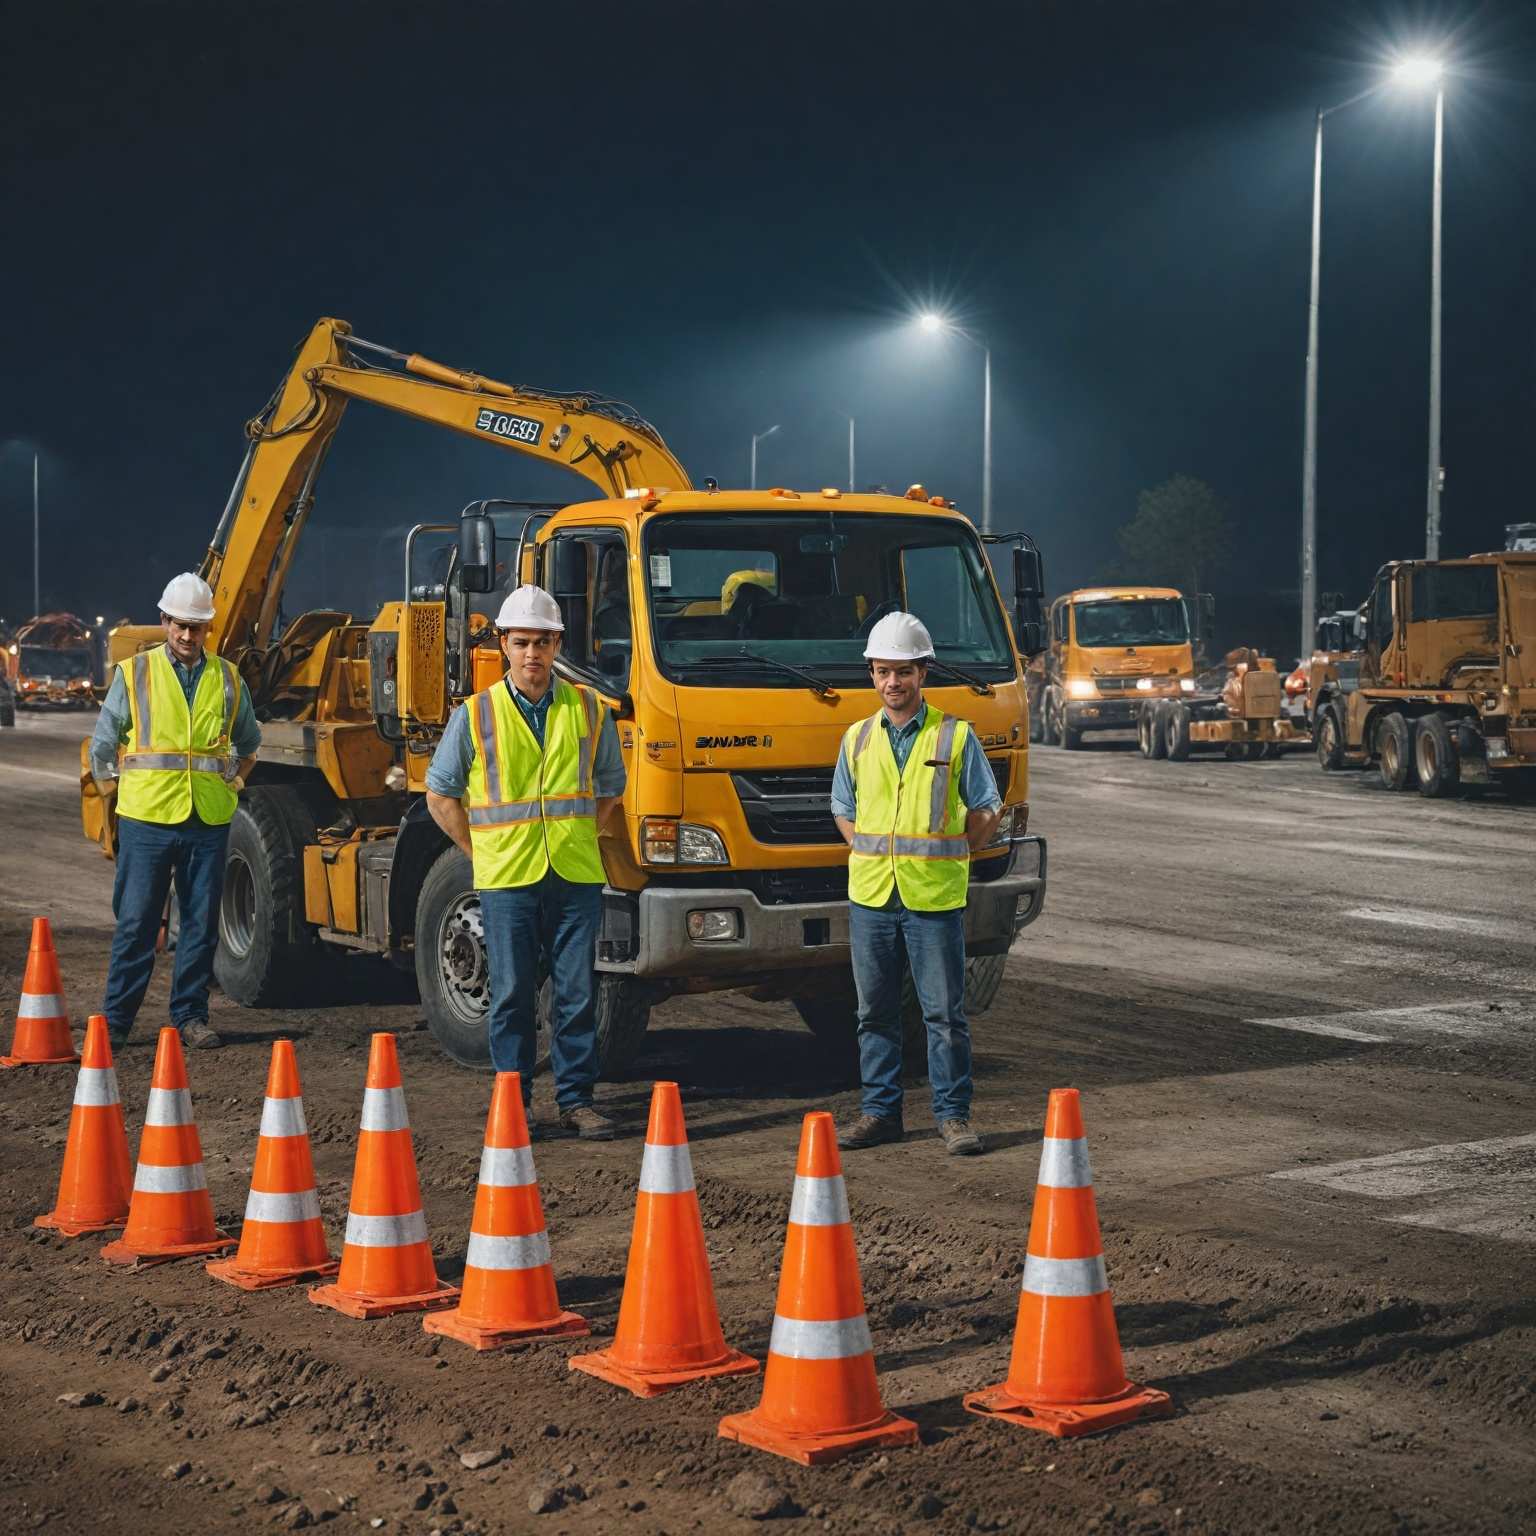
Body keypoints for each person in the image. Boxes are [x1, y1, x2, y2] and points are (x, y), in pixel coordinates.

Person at [425, 585, 625, 1139]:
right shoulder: (477, 715)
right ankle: (513, 1103)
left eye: (542, 642)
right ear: (504, 646)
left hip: (574, 875)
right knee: (512, 994)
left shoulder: (588, 709)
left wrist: (583, 834)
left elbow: (611, 787)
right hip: (508, 879)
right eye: (522, 643)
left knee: (577, 992)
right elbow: (440, 795)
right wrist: (477, 850)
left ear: (557, 643)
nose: (532, 653)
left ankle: (575, 1101)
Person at [831, 611, 1001, 1156]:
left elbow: (987, 809)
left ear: (922, 673)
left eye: (902, 672)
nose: (892, 683)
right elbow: (842, 808)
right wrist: (867, 849)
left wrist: (955, 852)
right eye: (882, 672)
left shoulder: (954, 735)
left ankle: (953, 1117)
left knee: (943, 1015)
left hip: (932, 898)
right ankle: (880, 1114)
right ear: (872, 676)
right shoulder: (856, 739)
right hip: (873, 897)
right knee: (873, 1012)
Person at [92, 573, 260, 1049]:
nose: (187, 636)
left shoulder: (227, 678)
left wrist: (236, 780)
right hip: (146, 821)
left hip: (207, 820)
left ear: (208, 628)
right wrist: (119, 800)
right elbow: (103, 749)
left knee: (200, 926)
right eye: (179, 625)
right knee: (136, 924)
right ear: (164, 621)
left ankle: (190, 1016)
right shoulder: (136, 673)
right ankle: (117, 1023)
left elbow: (248, 742)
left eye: (197, 627)